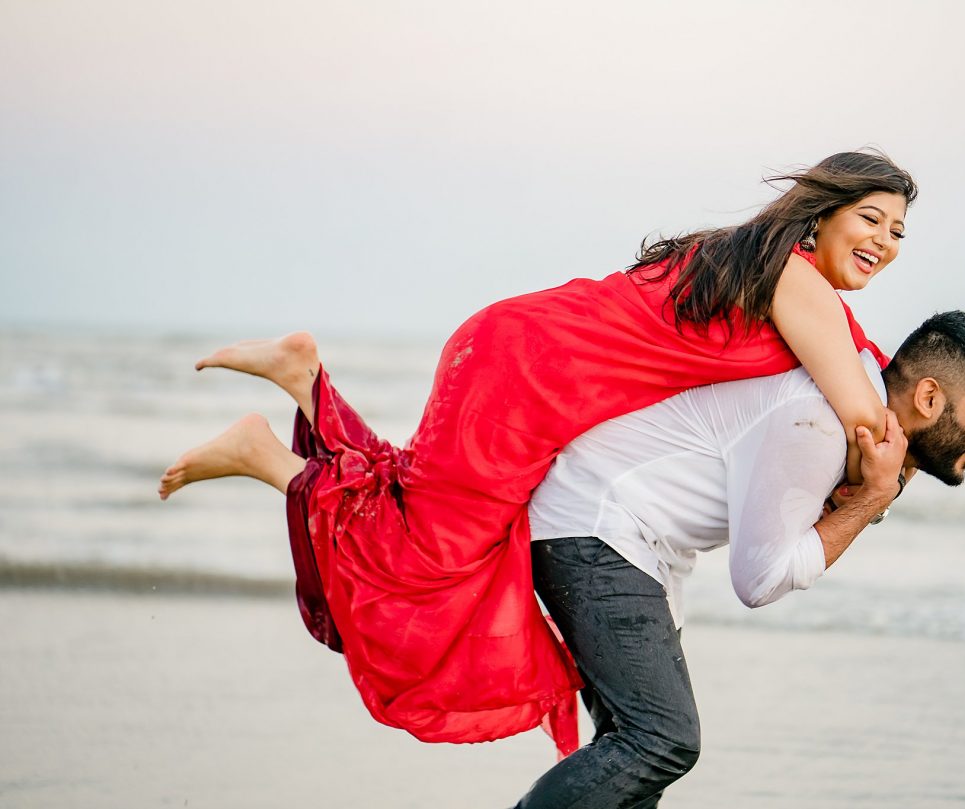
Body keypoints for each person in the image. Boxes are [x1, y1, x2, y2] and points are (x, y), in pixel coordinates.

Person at [158, 151, 916, 755]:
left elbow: (854, 385)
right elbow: (862, 421)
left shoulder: (759, 266)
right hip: (522, 377)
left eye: (898, 233)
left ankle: (306, 379)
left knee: (426, 504)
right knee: (433, 546)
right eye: (871, 219)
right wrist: (888, 474)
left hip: (514, 355)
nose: (883, 242)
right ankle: (267, 456)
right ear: (821, 217)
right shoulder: (800, 280)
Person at [516, 311, 965, 808]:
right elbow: (758, 583)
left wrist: (888, 483)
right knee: (660, 742)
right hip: (596, 522)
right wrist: (872, 496)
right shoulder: (820, 423)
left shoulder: (859, 405)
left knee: (635, 763)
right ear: (930, 396)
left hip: (629, 538)